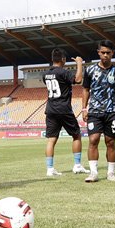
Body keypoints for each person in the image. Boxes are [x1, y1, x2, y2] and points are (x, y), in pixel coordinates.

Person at [82, 40, 115, 182]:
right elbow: (85, 90)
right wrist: (84, 108)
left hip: (112, 112)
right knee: (93, 140)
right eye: (103, 53)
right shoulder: (90, 70)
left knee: (110, 142)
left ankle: (111, 173)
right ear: (98, 53)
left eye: (108, 53)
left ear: (112, 53)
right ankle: (93, 173)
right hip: (94, 111)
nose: (105, 55)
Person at [42, 48, 89, 176]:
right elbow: (78, 79)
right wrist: (79, 63)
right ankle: (77, 165)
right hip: (63, 108)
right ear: (63, 59)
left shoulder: (45, 74)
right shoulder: (63, 72)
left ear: (52, 59)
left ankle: (50, 169)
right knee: (76, 135)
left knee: (51, 139)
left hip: (50, 109)